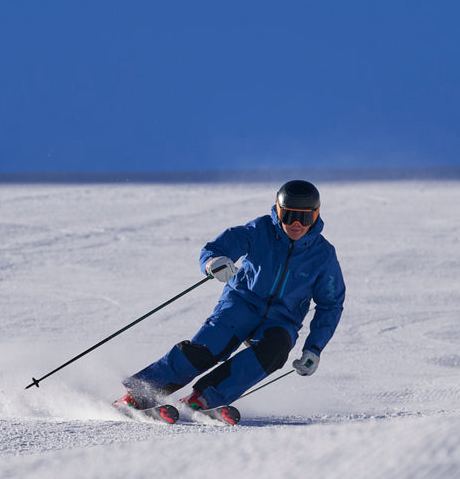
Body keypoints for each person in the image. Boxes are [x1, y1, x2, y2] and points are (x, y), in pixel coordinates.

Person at [115, 179, 345, 419]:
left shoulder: (323, 255)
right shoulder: (260, 230)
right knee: (208, 348)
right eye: (289, 216)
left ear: (316, 215)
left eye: (304, 218)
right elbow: (217, 248)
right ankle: (139, 393)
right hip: (242, 303)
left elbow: (330, 304)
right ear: (278, 211)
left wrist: (314, 348)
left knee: (275, 351)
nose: (296, 224)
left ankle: (204, 399)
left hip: (282, 319)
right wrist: (213, 263)